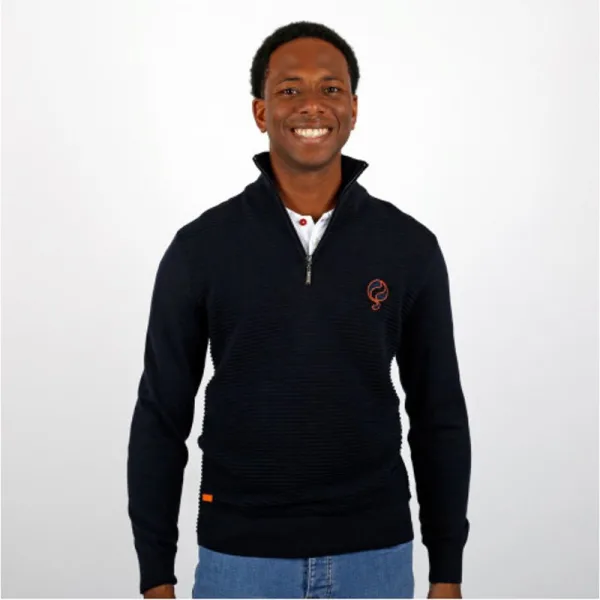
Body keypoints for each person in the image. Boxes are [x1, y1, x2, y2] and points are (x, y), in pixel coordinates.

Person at [127, 20, 471, 600]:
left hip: (376, 558)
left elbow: (439, 412)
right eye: (290, 89)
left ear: (353, 109)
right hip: (241, 561)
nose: (312, 104)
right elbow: (161, 415)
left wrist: (447, 571)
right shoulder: (201, 248)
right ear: (261, 112)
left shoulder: (408, 246)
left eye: (331, 88)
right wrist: (155, 576)